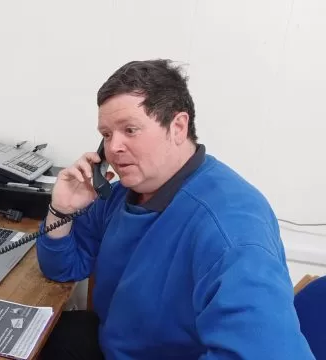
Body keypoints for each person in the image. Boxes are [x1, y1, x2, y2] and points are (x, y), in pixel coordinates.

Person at [36, 59, 315, 360]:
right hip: (113, 345)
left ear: (178, 127)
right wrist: (61, 210)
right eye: (106, 134)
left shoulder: (231, 228)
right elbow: (62, 268)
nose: (114, 147)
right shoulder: (121, 195)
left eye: (130, 129)